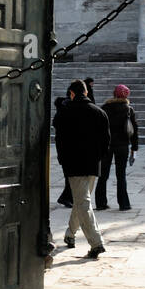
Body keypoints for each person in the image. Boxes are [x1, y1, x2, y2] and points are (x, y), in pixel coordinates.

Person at [52, 78, 110, 258]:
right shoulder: (99, 112)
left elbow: (59, 138)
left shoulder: (64, 112)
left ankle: (96, 243)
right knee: (82, 201)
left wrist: (63, 160)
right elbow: (106, 142)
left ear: (71, 93)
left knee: (82, 202)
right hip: (93, 164)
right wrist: (97, 157)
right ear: (85, 92)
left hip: (73, 164)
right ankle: (70, 235)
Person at [95, 83, 138, 211]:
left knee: (103, 175)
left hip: (106, 145)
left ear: (114, 94)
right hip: (122, 146)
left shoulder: (104, 108)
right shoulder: (129, 110)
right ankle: (124, 204)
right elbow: (134, 130)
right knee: (121, 175)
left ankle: (101, 203)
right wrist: (134, 147)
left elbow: (99, 129)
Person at [54, 91, 74, 206]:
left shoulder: (62, 109)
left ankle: (67, 197)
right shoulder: (66, 110)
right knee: (70, 175)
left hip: (63, 146)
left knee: (69, 175)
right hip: (67, 147)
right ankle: (66, 197)